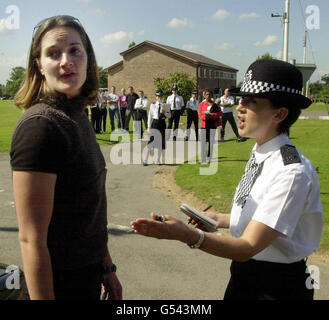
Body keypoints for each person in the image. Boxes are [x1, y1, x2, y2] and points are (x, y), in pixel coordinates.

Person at [131, 59, 323, 300]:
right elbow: (262, 217)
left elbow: (248, 246)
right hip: (246, 274)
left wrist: (185, 235)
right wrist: (218, 219)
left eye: (250, 101)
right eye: (240, 99)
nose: (239, 107)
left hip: (275, 285)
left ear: (279, 114)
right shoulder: (263, 150)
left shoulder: (291, 172)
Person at [11, 15, 122, 300]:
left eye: (75, 50)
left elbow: (90, 211)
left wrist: (106, 266)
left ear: (88, 58)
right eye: (53, 53)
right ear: (39, 65)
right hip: (57, 285)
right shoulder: (41, 126)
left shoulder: (76, 113)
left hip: (88, 276)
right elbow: (31, 240)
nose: (65, 61)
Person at [143, 90, 171, 165]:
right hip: (155, 123)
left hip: (162, 123)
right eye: (158, 96)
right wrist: (148, 126)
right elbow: (150, 116)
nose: (159, 98)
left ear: (162, 97)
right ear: (156, 97)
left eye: (161, 96)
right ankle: (146, 159)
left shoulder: (166, 105)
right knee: (151, 141)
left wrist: (164, 112)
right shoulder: (153, 105)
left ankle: (158, 160)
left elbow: (169, 116)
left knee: (161, 143)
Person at [198, 90, 222, 163]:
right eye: (206, 94)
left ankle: (210, 157)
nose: (208, 96)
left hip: (212, 125)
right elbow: (199, 114)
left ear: (211, 96)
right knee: (203, 142)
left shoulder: (214, 104)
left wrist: (213, 115)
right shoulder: (202, 104)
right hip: (204, 125)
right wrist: (205, 117)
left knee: (211, 142)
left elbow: (220, 113)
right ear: (204, 96)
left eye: (209, 94)